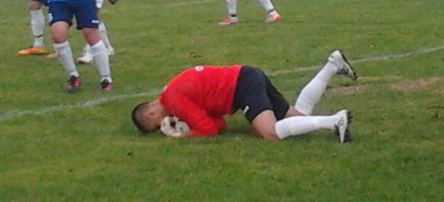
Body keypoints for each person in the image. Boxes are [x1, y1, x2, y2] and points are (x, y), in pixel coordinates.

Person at [131, 49, 357, 142]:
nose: (164, 125)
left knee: (270, 132)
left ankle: (334, 121)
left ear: (151, 113)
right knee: (297, 116)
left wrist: (183, 135)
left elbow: (209, 129)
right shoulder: (171, 94)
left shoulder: (173, 101)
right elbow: (219, 124)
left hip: (241, 85)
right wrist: (192, 125)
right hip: (245, 75)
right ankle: (332, 65)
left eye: (157, 124)